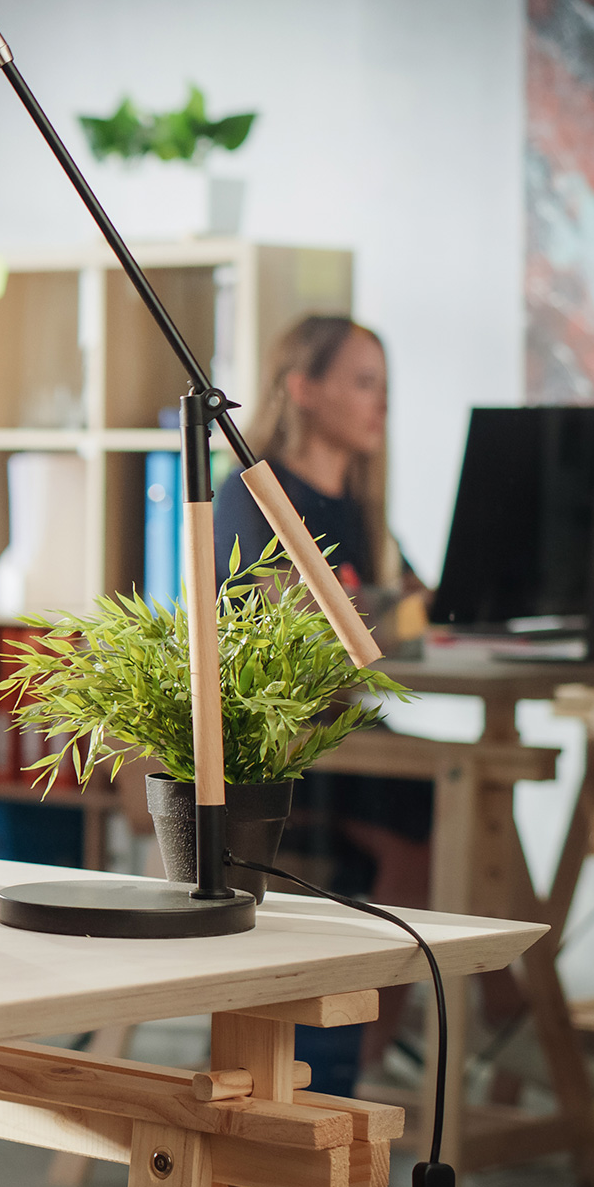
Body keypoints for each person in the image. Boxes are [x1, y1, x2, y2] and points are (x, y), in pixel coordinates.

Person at [211, 314, 433, 1082]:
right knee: (444, 822)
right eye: (364, 384)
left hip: (353, 730)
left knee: (472, 811)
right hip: (284, 747)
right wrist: (387, 610)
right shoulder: (255, 494)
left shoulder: (364, 512)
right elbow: (286, 624)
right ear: (303, 389)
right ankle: (364, 1063)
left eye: (384, 387)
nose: (382, 406)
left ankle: (387, 1054)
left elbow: (405, 611)